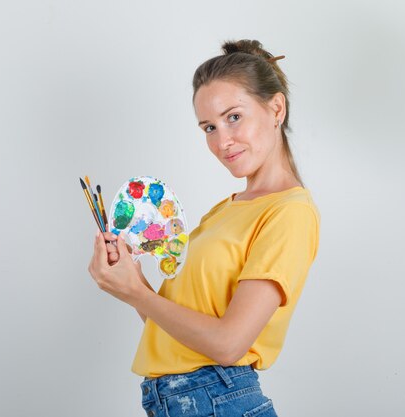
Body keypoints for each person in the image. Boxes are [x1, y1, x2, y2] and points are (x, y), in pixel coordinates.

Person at [88, 39, 320, 417]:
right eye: (209, 127)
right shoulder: (226, 210)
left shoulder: (290, 212)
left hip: (216, 399)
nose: (222, 141)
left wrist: (138, 294)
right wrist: (132, 284)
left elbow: (229, 344)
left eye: (234, 117)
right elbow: (175, 328)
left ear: (276, 108)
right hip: (178, 401)